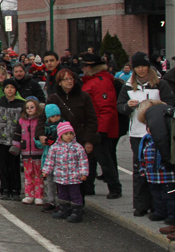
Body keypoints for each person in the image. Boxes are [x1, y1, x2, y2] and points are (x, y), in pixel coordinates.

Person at [117, 51, 175, 216]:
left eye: (144, 66)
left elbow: (170, 104)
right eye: (138, 67)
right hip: (137, 133)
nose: (141, 70)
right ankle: (140, 205)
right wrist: (128, 106)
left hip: (158, 132)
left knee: (159, 168)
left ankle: (159, 207)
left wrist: (155, 105)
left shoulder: (160, 84)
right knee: (139, 169)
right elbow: (120, 107)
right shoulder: (127, 86)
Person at [46, 69, 98, 201]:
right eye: (65, 79)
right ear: (59, 82)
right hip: (60, 143)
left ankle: (78, 205)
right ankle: (64, 204)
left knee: (80, 176)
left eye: (71, 79)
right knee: (61, 177)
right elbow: (44, 119)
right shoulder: (53, 98)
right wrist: (43, 135)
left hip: (79, 140)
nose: (69, 82)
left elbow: (91, 120)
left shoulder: (84, 97)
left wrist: (89, 141)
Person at [79, 52, 122, 199]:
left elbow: (106, 108)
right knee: (90, 159)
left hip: (98, 128)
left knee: (104, 159)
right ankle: (89, 187)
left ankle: (115, 188)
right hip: (93, 127)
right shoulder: (94, 81)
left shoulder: (100, 82)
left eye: (85, 65)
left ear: (92, 67)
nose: (83, 68)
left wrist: (101, 131)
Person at [137, 100, 175, 232]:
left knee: (169, 196)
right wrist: (143, 171)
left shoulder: (160, 139)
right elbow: (143, 158)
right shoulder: (147, 140)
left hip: (166, 175)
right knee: (157, 196)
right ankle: (160, 212)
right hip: (153, 175)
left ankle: (171, 216)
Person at [43, 122, 90, 223]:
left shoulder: (78, 147)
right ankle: (64, 208)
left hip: (74, 177)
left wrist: (84, 173)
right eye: (66, 134)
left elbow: (83, 161)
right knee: (62, 194)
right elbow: (50, 161)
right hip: (60, 177)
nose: (69, 136)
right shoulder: (55, 148)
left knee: (75, 194)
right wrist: (46, 171)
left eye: (71, 133)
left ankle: (77, 211)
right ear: (60, 135)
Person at [0, 79, 25, 200]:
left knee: (14, 166)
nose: (9, 90)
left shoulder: (21, 105)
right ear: (4, 89)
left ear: (16, 90)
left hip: (15, 140)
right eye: (7, 87)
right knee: (4, 166)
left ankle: (16, 189)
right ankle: (5, 189)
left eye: (12, 87)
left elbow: (24, 124)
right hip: (2, 140)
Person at [13, 97, 46, 205]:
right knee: (28, 175)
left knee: (39, 175)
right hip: (26, 152)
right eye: (27, 108)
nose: (30, 109)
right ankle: (29, 194)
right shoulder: (21, 121)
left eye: (32, 107)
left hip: (38, 152)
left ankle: (39, 195)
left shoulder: (40, 121)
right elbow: (17, 134)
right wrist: (16, 146)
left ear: (37, 108)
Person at [38, 104, 64, 212]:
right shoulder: (45, 127)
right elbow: (39, 143)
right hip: (48, 158)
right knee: (49, 182)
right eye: (53, 116)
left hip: (59, 159)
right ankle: (50, 201)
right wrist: (42, 141)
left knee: (59, 183)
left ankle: (60, 202)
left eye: (57, 116)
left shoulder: (62, 127)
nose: (56, 118)